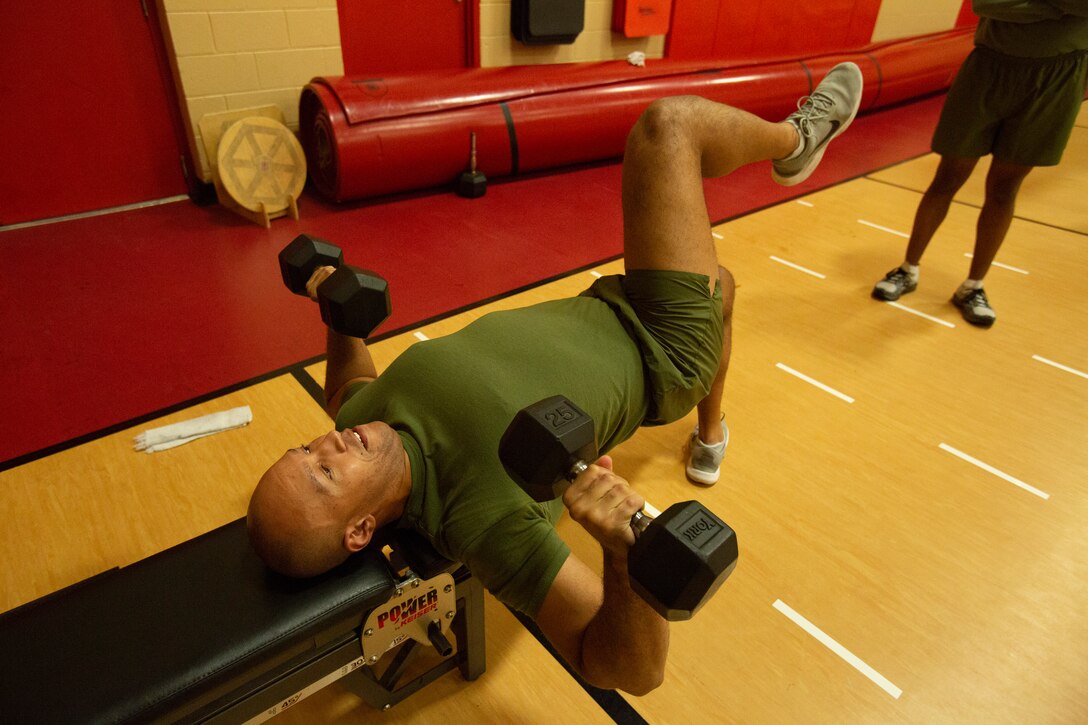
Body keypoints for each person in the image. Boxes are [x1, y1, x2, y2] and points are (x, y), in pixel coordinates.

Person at [247, 63, 863, 694]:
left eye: (303, 450)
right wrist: (622, 556)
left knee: (722, 288)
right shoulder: (480, 519)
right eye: (323, 473)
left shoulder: (360, 425)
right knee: (668, 127)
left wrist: (337, 311)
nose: (324, 445)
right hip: (663, 346)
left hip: (603, 303)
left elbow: (343, 388)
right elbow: (631, 672)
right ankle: (797, 140)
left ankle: (712, 435)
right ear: (359, 530)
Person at [872, 0, 1088, 327]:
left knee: (1004, 189)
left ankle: (973, 286)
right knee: (947, 177)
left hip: (1058, 76)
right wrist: (1061, 6)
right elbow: (989, 4)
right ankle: (907, 269)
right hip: (989, 67)